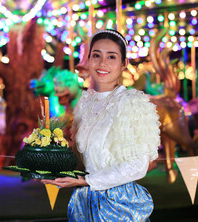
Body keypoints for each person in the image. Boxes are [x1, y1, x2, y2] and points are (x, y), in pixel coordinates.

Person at [41, 29, 161, 221]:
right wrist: (49, 162)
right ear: (88, 60)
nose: (102, 63)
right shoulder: (85, 103)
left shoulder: (133, 103)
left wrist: (87, 180)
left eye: (111, 57)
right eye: (96, 55)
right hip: (84, 202)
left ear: (124, 64)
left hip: (119, 205)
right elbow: (81, 159)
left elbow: (139, 165)